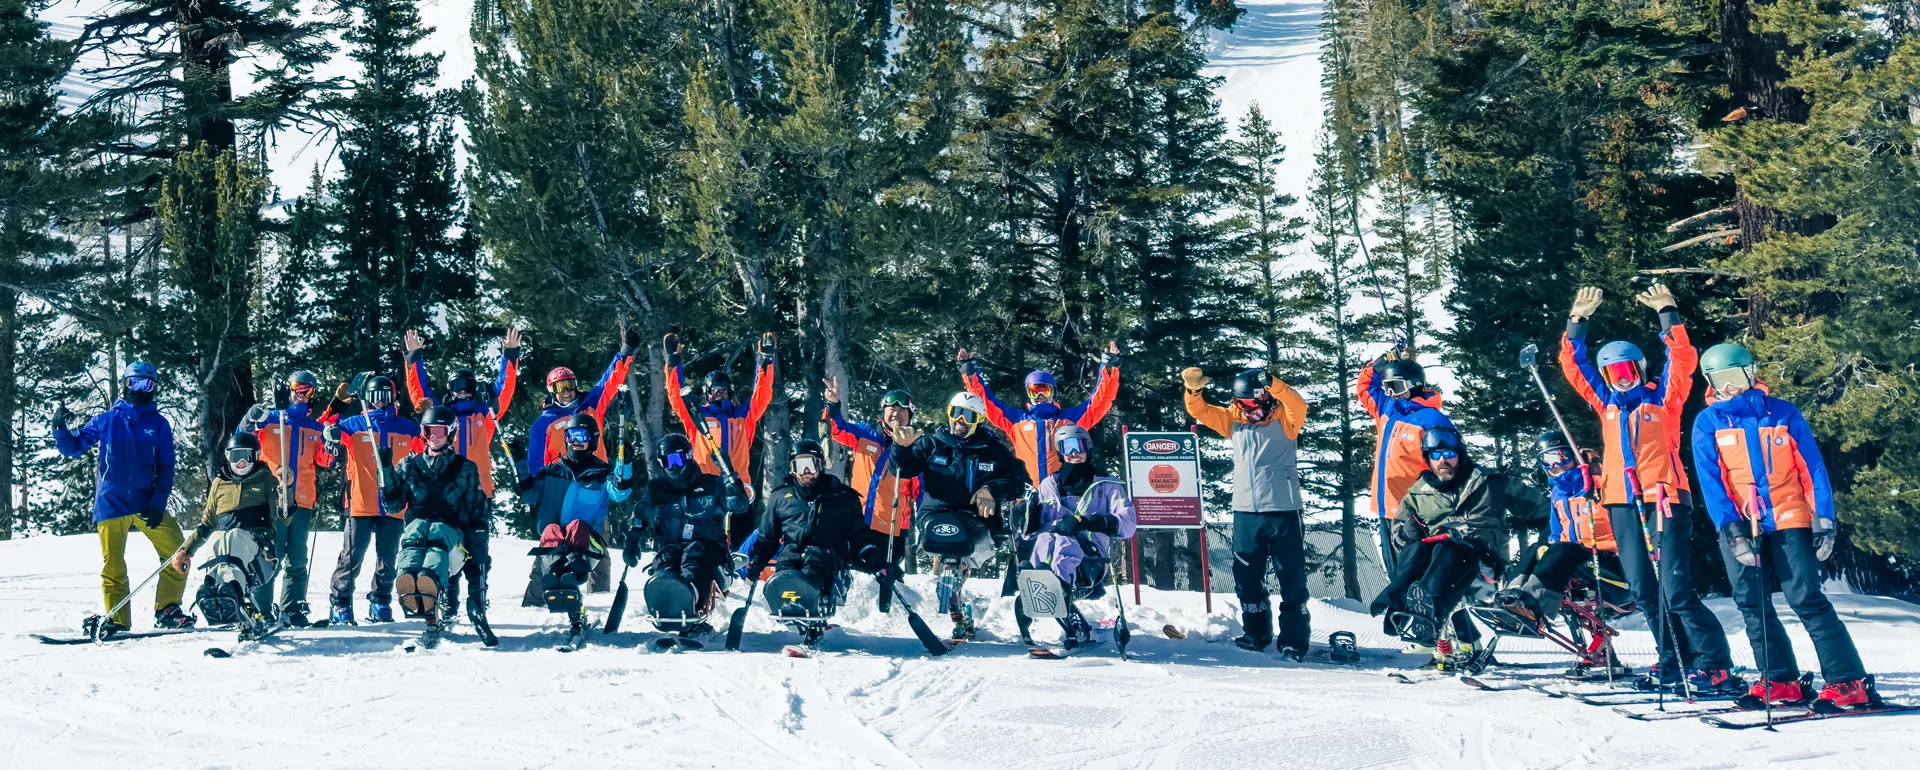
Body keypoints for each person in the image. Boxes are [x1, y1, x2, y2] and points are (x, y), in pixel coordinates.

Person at [1559, 284, 1738, 694]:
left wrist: (1668, 313)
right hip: (1621, 502)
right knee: (1643, 588)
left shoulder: (1664, 399)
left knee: (1675, 588)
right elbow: (1573, 366)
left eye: (1628, 371)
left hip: (1664, 499)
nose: (1622, 380)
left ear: (1640, 369)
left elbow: (1683, 360)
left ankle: (1714, 663)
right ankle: (1673, 658)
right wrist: (1577, 322)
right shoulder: (1604, 402)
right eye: (1613, 374)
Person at [1692, 343, 1881, 712]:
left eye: (1734, 378)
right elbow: (1711, 481)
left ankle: (1848, 683)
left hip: (1788, 516)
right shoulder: (1708, 422)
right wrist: (1732, 531)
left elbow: (1812, 468)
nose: (1729, 388)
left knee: (1805, 598)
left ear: (1750, 373)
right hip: (1742, 525)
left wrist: (1822, 518)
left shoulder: (1781, 413)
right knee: (1751, 603)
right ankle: (1781, 681)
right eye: (1720, 381)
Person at [1372, 428, 1537, 671]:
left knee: (1450, 549)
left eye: (1449, 453)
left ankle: (1426, 618)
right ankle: (1401, 604)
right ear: (1427, 459)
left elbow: (1542, 509)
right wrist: (1407, 534)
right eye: (1436, 455)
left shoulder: (1491, 483)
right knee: (1416, 551)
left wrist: (1545, 545)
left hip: (1481, 564)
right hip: (1436, 565)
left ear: (1460, 454)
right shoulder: (1417, 494)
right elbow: (1398, 537)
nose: (1443, 460)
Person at [53, 361, 191, 636]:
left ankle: (167, 609)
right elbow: (73, 447)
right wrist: (60, 428)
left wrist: (159, 501)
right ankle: (117, 619)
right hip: (111, 502)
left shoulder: (159, 424)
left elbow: (166, 466)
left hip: (146, 502)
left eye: (147, 384)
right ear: (125, 385)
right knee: (113, 564)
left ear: (154, 389)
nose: (140, 389)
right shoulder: (107, 420)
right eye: (134, 383)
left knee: (178, 550)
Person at [1182, 366, 1312, 658]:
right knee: (1247, 574)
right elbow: (1201, 411)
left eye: (1250, 402)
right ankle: (1256, 632)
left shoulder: (1286, 420)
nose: (1245, 407)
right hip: (1245, 511)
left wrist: (1275, 383)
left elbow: (1297, 403)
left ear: (1264, 397)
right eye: (1240, 402)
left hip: (1283, 509)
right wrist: (1193, 390)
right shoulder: (1233, 420)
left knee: (1290, 575)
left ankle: (1294, 638)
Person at [889, 392, 1030, 641]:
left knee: (963, 540)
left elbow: (1018, 480)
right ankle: (954, 594)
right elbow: (904, 468)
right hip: (937, 514)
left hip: (978, 520)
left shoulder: (993, 450)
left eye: (968, 415)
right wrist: (901, 449)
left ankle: (958, 579)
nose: (960, 420)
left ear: (978, 420)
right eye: (956, 413)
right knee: (949, 537)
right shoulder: (933, 443)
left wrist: (991, 490)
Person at [403, 327, 522, 619]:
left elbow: (504, 389)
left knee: (477, 549)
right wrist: (414, 358)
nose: (462, 392)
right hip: (447, 491)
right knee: (446, 545)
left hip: (479, 491)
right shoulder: (444, 417)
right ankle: (448, 600)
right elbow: (422, 396)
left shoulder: (486, 414)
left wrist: (509, 355)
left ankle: (478, 599)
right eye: (457, 386)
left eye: (467, 386)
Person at [739, 440, 893, 642]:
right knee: (787, 566)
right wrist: (757, 561)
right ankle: (788, 599)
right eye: (799, 466)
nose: (806, 472)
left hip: (828, 555)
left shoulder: (843, 497)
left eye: (811, 465)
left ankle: (808, 613)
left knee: (813, 559)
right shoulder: (781, 497)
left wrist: (876, 561)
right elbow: (767, 537)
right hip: (792, 553)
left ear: (820, 465)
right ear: (792, 469)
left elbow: (860, 536)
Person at [1014, 424, 1138, 651]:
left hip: (1091, 558)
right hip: (1050, 549)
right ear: (1060, 451)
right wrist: (1027, 517)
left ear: (1088, 448)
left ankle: (1051, 588)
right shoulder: (1049, 485)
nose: (1074, 452)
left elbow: (1128, 525)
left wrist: (1086, 521)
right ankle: (1036, 584)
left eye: (1079, 446)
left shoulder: (1107, 486)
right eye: (1067, 447)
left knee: (1064, 541)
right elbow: (1034, 528)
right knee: (1047, 539)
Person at [625, 433, 753, 635]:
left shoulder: (712, 484)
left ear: (689, 456)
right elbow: (642, 515)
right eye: (668, 462)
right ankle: (665, 604)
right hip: (672, 546)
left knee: (694, 555)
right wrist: (633, 540)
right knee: (666, 561)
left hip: (709, 549)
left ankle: (692, 601)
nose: (674, 467)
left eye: (677, 459)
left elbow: (739, 505)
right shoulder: (658, 489)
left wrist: (730, 478)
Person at [235, 370, 335, 626]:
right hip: (272, 498)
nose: (301, 395)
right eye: (298, 388)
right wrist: (251, 418)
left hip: (302, 499)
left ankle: (292, 608)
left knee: (298, 558)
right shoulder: (270, 420)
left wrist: (331, 446)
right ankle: (262, 608)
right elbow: (242, 435)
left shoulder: (315, 427)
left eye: (308, 391)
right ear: (289, 390)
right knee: (270, 554)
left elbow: (324, 460)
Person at [323, 374, 420, 626]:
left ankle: (380, 600)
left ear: (393, 398)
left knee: (388, 558)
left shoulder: (406, 427)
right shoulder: (355, 424)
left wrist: (427, 416)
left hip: (394, 504)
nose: (379, 402)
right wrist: (336, 411)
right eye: (375, 397)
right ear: (367, 398)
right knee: (352, 556)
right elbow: (326, 429)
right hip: (360, 502)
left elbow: (428, 444)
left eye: (385, 397)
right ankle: (340, 603)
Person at [381, 406, 488, 632]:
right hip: (419, 529)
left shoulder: (465, 468)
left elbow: (477, 508)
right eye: (429, 430)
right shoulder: (409, 466)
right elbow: (393, 505)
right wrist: (387, 470)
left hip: (453, 534)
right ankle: (409, 581)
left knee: (437, 532)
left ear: (450, 433)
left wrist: (479, 542)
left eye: (439, 431)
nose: (434, 436)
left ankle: (429, 584)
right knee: (417, 530)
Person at [1494, 432, 1618, 626]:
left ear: (1574, 454)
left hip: (1610, 564)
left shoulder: (1602, 483)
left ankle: (1533, 605)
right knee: (1539, 547)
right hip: (1578, 564)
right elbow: (1555, 535)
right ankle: (1512, 597)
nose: (1555, 465)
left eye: (1560, 457)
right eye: (1547, 460)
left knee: (1565, 548)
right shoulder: (1558, 494)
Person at [957, 342, 1121, 485]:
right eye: (1035, 391)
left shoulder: (1071, 420)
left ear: (1053, 392)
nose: (1040, 396)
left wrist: (1109, 367)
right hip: (1029, 496)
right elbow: (986, 403)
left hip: (1061, 494)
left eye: (1044, 390)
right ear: (1029, 394)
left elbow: (1100, 401)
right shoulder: (1016, 421)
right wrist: (970, 373)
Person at [521, 413, 635, 620]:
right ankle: (532, 612)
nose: (576, 442)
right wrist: (520, 465)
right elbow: (528, 495)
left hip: (587, 543)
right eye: (572, 436)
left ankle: (577, 584)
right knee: (549, 537)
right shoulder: (552, 471)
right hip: (553, 543)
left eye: (582, 437)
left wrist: (624, 464)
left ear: (592, 439)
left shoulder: (601, 472)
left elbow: (619, 492)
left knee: (577, 528)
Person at [1355, 350, 1456, 576]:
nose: (1392, 394)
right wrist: (1379, 364)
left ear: (1415, 385)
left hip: (1414, 515)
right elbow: (1365, 388)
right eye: (1388, 387)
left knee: (1418, 576)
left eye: (1397, 387)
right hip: (1387, 510)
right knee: (1396, 577)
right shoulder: (1388, 408)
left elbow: (1449, 468)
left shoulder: (1432, 420)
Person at [176, 432, 284, 637]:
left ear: (256, 455)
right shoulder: (219, 483)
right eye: (235, 456)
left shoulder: (266, 478)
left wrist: (285, 489)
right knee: (217, 537)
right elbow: (207, 524)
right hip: (228, 546)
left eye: (246, 456)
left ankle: (233, 590)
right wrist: (186, 550)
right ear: (228, 457)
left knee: (233, 535)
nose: (241, 462)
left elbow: (281, 516)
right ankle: (213, 589)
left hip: (260, 551)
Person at [821, 380, 921, 581]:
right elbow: (837, 429)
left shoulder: (916, 448)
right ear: (883, 411)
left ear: (910, 416)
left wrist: (925, 519)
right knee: (857, 577)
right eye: (892, 409)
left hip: (891, 528)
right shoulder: (865, 433)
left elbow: (921, 490)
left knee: (885, 578)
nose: (896, 414)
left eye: (902, 411)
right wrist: (833, 404)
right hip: (859, 521)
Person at [663, 332, 777, 507]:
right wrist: (673, 362)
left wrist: (766, 361)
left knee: (737, 532)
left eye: (723, 389)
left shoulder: (743, 415)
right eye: (714, 390)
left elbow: (761, 395)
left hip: (737, 491)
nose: (719, 393)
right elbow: (676, 396)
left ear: (730, 391)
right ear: (707, 393)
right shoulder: (697, 415)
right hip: (705, 492)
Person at [526, 323, 634, 478]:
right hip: (561, 483)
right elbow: (536, 460)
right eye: (559, 387)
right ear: (552, 391)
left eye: (569, 385)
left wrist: (627, 350)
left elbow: (610, 379)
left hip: (595, 476)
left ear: (575, 385)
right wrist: (538, 490)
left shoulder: (591, 405)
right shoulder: (543, 423)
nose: (566, 392)